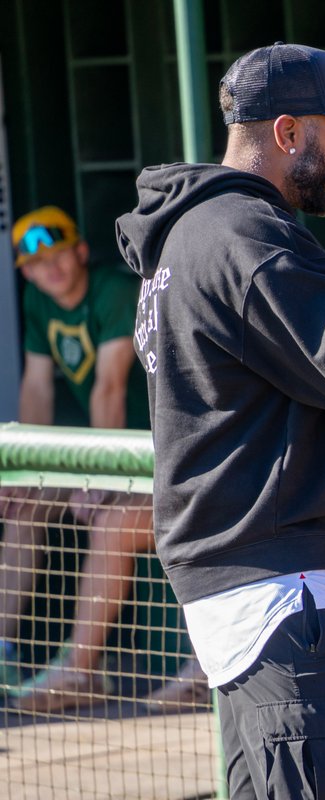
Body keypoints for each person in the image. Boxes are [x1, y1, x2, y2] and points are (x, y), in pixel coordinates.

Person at [114, 43, 325, 799]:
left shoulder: (187, 234)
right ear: (286, 132)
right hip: (285, 594)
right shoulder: (245, 233)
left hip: (244, 588)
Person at [0, 205, 156, 712]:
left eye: (59, 254)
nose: (50, 268)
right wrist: (29, 468)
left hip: (143, 452)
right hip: (95, 452)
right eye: (36, 262)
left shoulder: (112, 289)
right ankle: (2, 646)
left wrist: (98, 474)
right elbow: (37, 387)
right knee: (24, 504)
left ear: (81, 252)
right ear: (24, 271)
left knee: (107, 516)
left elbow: (110, 389)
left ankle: (81, 668)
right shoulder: (37, 302)